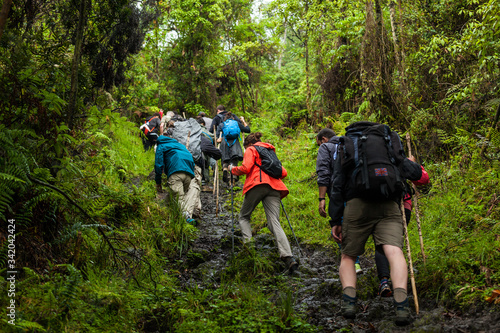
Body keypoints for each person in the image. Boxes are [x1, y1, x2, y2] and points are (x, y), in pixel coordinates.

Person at [330, 122, 423, 326]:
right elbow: (408, 169)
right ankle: (401, 306)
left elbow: (337, 181)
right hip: (388, 204)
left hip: (357, 205)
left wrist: (336, 219)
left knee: (348, 255)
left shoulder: (348, 142)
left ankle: (349, 304)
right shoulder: (389, 139)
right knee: (394, 251)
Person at [229, 132, 299, 273]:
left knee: (244, 216)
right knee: (274, 221)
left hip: (257, 184)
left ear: (248, 144)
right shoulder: (269, 150)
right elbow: (283, 172)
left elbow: (246, 168)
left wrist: (232, 170)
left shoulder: (251, 149)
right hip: (275, 187)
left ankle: (249, 249)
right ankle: (288, 257)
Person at [376, 156, 429, 297]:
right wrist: (411, 163)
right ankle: (399, 282)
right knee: (395, 243)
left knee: (381, 242)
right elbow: (423, 179)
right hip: (403, 204)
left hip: (379, 204)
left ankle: (384, 281)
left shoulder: (374, 159)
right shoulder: (398, 157)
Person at [315, 128, 363, 274]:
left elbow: (323, 172)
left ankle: (353, 263)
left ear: (323, 139)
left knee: (340, 226)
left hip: (338, 193)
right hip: (358, 191)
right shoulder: (351, 144)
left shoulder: (325, 147)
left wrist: (322, 198)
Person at [154, 126, 198, 224]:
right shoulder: (180, 145)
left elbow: (158, 164)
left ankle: (186, 219)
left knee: (179, 197)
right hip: (188, 173)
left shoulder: (161, 145)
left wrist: (158, 182)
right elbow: (190, 158)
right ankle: (171, 217)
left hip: (176, 172)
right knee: (177, 197)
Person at [215, 111, 250, 185]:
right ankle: (232, 180)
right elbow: (248, 130)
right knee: (234, 161)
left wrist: (218, 139)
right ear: (233, 118)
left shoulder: (222, 124)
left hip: (225, 143)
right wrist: (243, 121)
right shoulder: (236, 124)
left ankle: (225, 168)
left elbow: (217, 135)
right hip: (235, 143)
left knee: (225, 159)